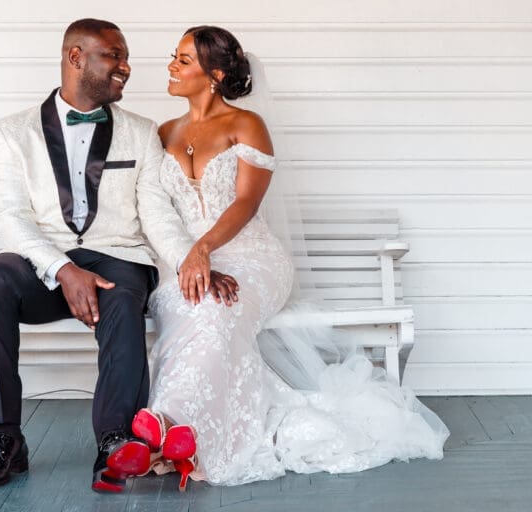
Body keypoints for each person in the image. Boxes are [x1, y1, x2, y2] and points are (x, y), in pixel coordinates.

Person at [131, 26, 450, 490]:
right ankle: (177, 434)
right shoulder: (164, 132)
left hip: (250, 256)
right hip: (185, 261)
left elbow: (245, 204)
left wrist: (206, 249)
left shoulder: (246, 125)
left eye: (184, 60)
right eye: (173, 57)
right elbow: (158, 210)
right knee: (190, 306)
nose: (171, 66)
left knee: (219, 311)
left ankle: (170, 427)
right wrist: (191, 257)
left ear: (215, 74)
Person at [0, 18, 226, 493]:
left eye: (124, 57)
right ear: (76, 57)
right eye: (114, 55)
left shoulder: (141, 132)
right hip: (44, 263)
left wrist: (192, 258)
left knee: (124, 300)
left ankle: (114, 440)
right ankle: (6, 438)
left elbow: (156, 214)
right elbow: (10, 217)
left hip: (117, 257)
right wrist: (63, 269)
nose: (126, 67)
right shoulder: (10, 133)